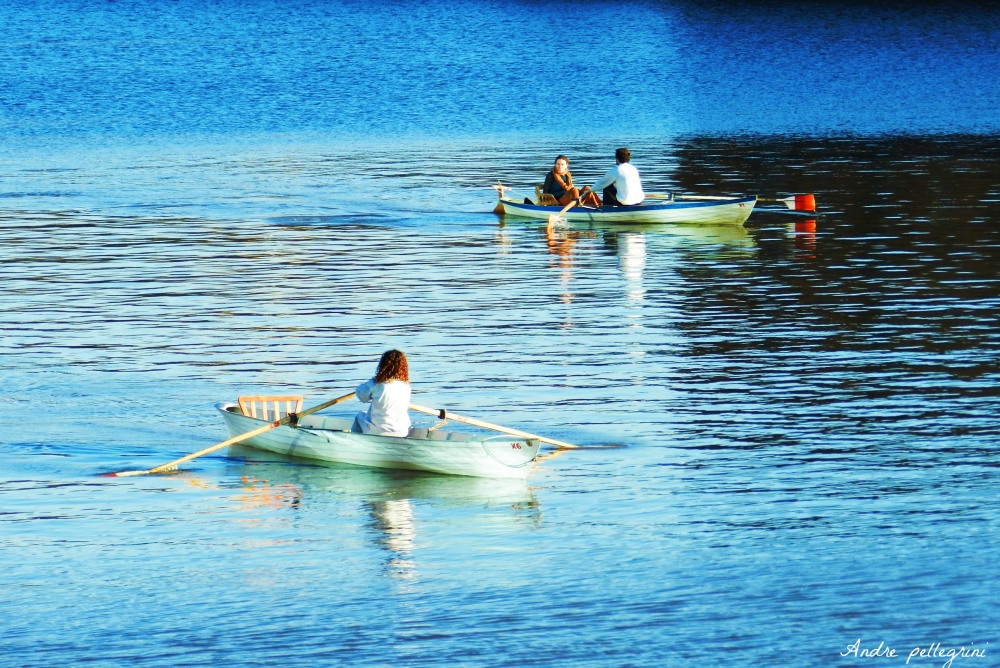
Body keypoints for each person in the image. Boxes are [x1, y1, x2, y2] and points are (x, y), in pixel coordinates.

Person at [352, 349, 411, 437]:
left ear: (383, 366)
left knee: (359, 416)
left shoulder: (377, 384)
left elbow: (362, 397)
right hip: (402, 431)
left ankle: (356, 443)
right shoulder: (406, 386)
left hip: (379, 431)